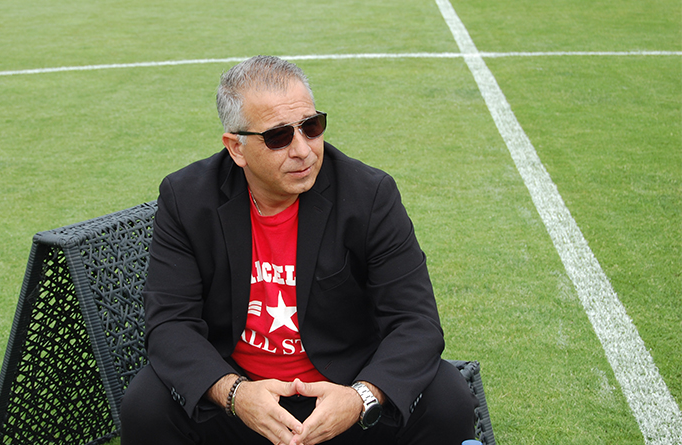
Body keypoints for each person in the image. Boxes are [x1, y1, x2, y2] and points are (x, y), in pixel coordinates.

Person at [120, 55, 478, 445]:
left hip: (343, 397)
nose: (303, 150)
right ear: (236, 148)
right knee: (147, 404)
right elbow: (170, 324)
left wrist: (360, 398)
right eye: (278, 136)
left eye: (311, 127)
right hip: (244, 402)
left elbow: (416, 322)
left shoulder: (369, 195)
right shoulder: (187, 198)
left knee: (448, 399)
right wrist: (236, 394)